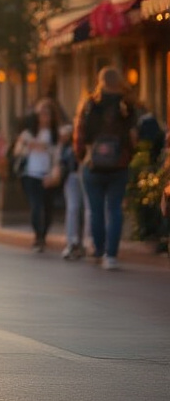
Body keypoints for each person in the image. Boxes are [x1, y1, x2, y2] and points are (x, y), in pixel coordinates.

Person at [73, 67, 138, 270]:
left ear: (99, 81)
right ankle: (111, 255)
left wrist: (82, 156)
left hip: (93, 164)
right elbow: (135, 136)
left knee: (96, 210)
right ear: (119, 81)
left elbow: (79, 134)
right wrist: (129, 154)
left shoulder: (89, 104)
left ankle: (99, 249)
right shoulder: (127, 105)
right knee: (115, 209)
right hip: (119, 164)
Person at [13, 99, 64, 252]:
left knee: (48, 207)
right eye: (41, 113)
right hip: (30, 174)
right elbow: (17, 152)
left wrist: (47, 149)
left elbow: (58, 155)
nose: (44, 117)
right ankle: (38, 236)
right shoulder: (28, 134)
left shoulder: (56, 135)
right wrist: (28, 146)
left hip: (48, 175)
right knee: (36, 206)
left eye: (47, 113)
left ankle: (44, 234)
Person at [57, 124, 86, 260]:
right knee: (73, 208)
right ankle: (72, 242)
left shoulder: (88, 135)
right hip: (72, 176)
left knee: (88, 210)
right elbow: (61, 162)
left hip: (87, 175)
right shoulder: (67, 147)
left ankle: (87, 242)